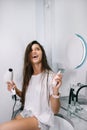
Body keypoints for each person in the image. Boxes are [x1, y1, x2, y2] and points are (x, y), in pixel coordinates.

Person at [0, 40, 62, 130]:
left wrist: (55, 91)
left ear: (42, 54)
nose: (34, 51)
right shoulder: (29, 77)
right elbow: (28, 98)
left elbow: (55, 110)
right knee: (10, 122)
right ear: (28, 57)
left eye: (37, 49)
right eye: (31, 50)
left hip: (40, 120)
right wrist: (16, 90)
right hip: (26, 113)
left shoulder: (51, 76)